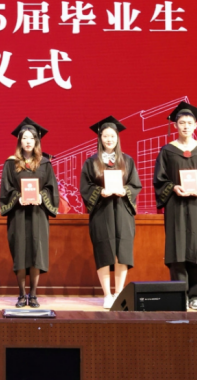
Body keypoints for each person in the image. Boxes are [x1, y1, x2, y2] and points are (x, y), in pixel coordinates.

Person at [153, 101, 197, 311]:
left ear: (196, 125)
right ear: (175, 125)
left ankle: (196, 295)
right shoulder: (167, 150)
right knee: (178, 249)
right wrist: (173, 188)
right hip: (177, 205)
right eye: (182, 123)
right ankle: (179, 293)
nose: (186, 126)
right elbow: (159, 179)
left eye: (190, 123)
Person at [79, 116, 142, 309]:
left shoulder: (127, 161)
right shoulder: (92, 162)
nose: (109, 139)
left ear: (117, 138)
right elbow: (85, 187)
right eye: (105, 136)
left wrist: (125, 191)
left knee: (122, 252)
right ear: (100, 138)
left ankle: (119, 293)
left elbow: (135, 185)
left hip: (123, 210)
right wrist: (100, 192)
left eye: (112, 136)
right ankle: (107, 294)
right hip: (102, 211)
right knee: (104, 251)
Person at [0, 117, 59, 308]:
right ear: (19, 141)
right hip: (18, 214)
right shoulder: (10, 164)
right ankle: (21, 294)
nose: (27, 141)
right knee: (20, 253)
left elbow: (51, 188)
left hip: (38, 214)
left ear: (36, 141)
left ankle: (33, 295)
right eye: (24, 138)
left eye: (31, 138)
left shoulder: (45, 164)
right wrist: (18, 197)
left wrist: (42, 196)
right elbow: (6, 189)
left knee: (36, 253)